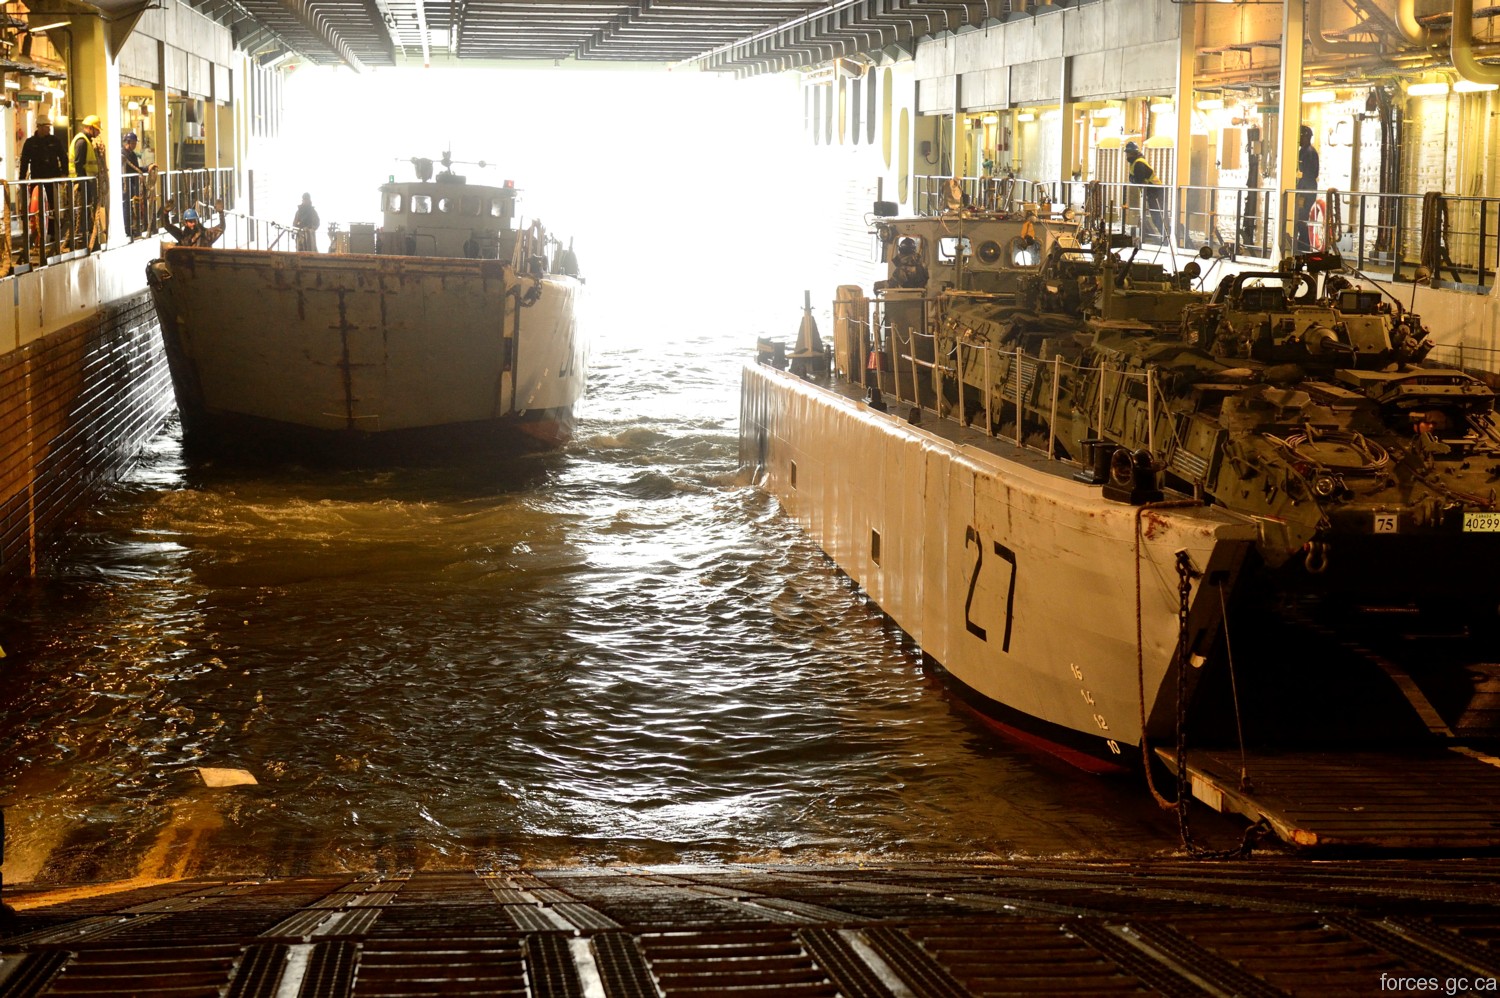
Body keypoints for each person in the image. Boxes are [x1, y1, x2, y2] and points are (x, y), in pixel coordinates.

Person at [18, 119, 67, 253]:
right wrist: (21, 180)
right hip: (37, 179)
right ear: (39, 127)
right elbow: (24, 162)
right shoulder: (30, 143)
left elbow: (63, 157)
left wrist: (64, 174)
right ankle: (37, 235)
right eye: (46, 126)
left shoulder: (54, 141)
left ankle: (53, 235)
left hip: (53, 180)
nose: (49, 129)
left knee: (52, 206)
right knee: (37, 208)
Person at [71, 114, 106, 249]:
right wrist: (82, 182)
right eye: (97, 130)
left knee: (88, 210)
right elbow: (78, 164)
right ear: (90, 128)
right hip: (82, 183)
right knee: (84, 211)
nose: (98, 133)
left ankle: (90, 238)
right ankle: (86, 239)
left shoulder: (86, 140)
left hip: (88, 182)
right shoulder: (82, 142)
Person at [1124, 140, 1166, 239]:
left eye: (1128, 153)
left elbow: (1138, 180)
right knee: (1157, 217)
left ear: (1133, 153)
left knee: (1157, 217)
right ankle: (1165, 237)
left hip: (1155, 192)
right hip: (1153, 191)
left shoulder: (1139, 163)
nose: (1127, 155)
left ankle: (1167, 238)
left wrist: (1132, 179)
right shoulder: (1136, 162)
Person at [1295, 124, 1320, 253]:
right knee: (1301, 218)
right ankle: (1302, 243)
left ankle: (1303, 245)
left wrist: (1301, 192)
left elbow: (1308, 173)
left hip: (1306, 189)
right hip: (1306, 188)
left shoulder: (1307, 152)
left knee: (1302, 218)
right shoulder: (1307, 151)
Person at [120, 131, 147, 238]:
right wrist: (145, 169)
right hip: (126, 185)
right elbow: (133, 168)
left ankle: (134, 228)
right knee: (127, 206)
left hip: (132, 184)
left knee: (133, 206)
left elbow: (136, 168)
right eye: (134, 143)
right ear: (128, 142)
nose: (135, 145)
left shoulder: (132, 154)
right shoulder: (123, 155)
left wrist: (146, 168)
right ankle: (128, 229)